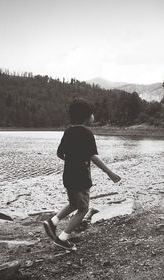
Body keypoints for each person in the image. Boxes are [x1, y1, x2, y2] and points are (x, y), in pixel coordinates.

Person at [43, 98, 121, 250]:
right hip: (81, 177)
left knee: (74, 203)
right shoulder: (86, 133)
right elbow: (93, 156)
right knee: (83, 208)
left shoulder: (68, 131)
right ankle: (63, 238)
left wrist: (72, 159)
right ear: (87, 116)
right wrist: (110, 173)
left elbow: (60, 153)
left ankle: (52, 222)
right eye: (92, 114)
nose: (94, 116)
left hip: (68, 176)